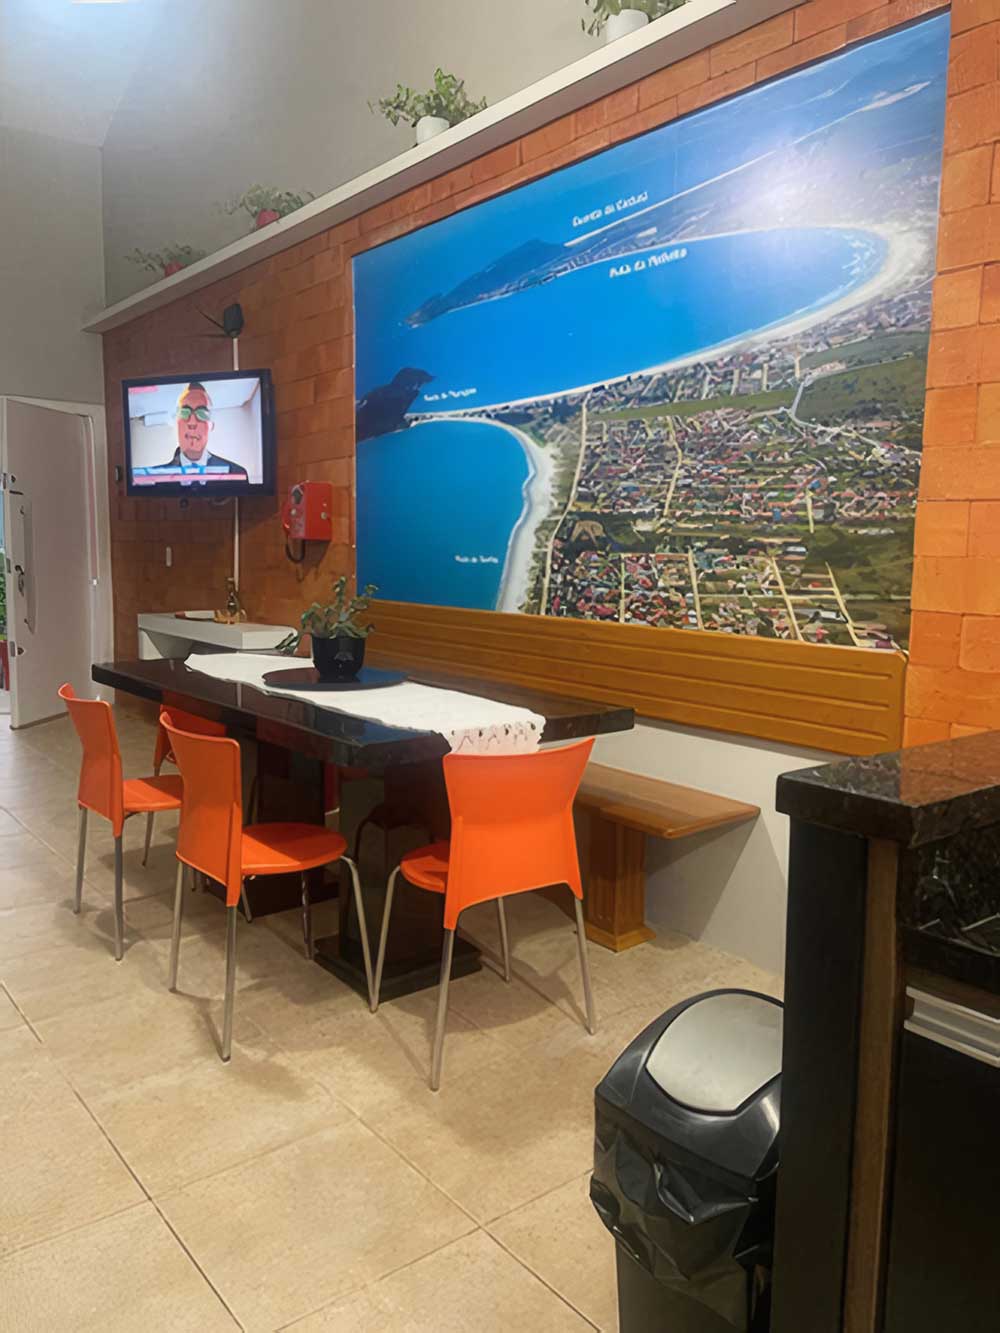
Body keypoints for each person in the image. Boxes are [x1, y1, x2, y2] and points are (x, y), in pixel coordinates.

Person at [148, 382, 248, 479]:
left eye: (202, 414)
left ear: (211, 425)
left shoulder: (236, 473)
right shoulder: (153, 477)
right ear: (176, 424)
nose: (192, 423)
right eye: (184, 413)